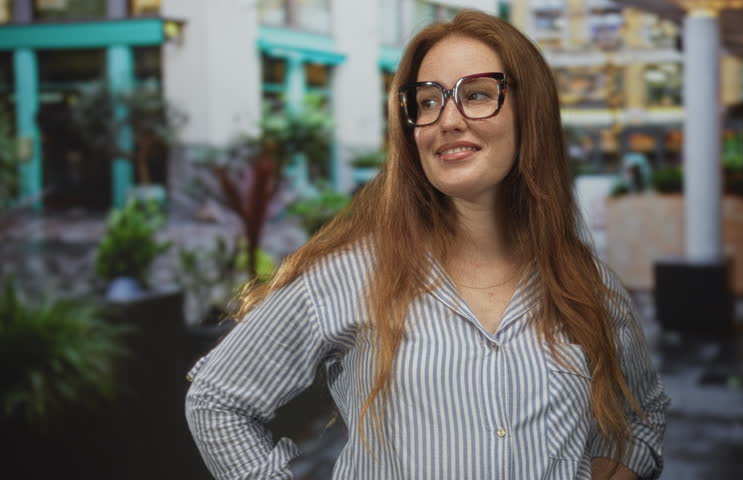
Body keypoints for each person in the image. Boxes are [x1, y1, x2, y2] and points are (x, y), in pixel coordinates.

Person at [186, 10, 669, 480]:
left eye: (477, 94)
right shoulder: (354, 275)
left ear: (531, 115)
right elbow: (217, 399)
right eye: (428, 101)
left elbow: (642, 412)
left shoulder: (585, 284)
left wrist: (622, 465)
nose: (447, 120)